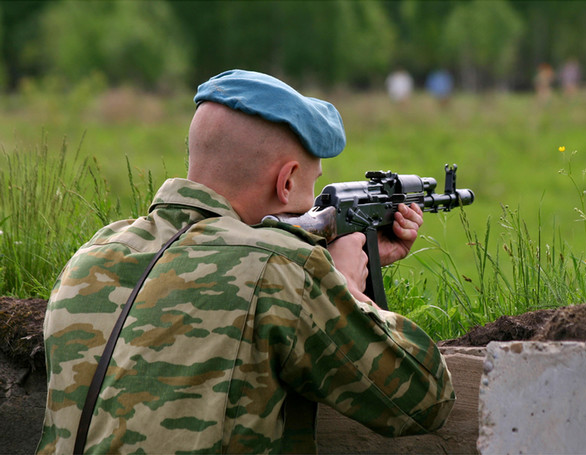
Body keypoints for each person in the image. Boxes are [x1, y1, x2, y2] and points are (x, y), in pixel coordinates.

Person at [36, 69, 454, 454]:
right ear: (286, 180)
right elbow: (426, 398)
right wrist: (342, 287)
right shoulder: (281, 267)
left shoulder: (91, 257)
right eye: (312, 184)